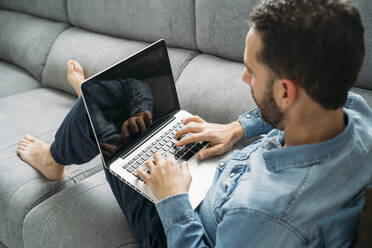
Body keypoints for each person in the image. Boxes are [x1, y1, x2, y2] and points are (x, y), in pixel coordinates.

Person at [16, 0, 372, 247]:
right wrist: (236, 128)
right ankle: (92, 102)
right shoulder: (356, 112)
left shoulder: (265, 216)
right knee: (130, 104)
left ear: (284, 91)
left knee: (116, 122)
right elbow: (338, 104)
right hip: (218, 177)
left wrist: (172, 199)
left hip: (180, 220)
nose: (245, 78)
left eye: (251, 70)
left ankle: (59, 152)